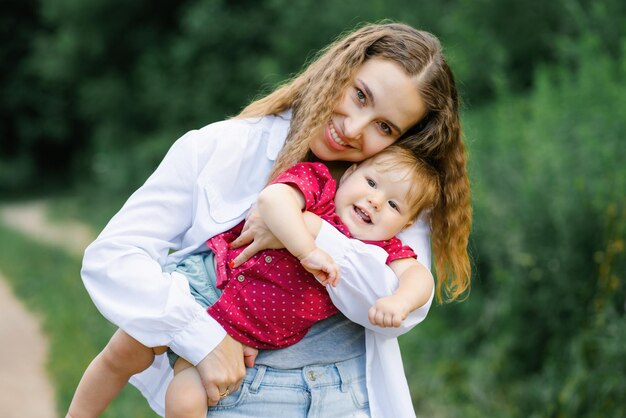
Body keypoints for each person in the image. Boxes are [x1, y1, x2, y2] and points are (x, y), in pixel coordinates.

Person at [68, 22, 472, 418]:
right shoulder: (223, 146)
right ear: (339, 69)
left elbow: (397, 311)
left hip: (349, 398)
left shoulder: (393, 195)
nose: (352, 129)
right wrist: (201, 337)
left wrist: (312, 232)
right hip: (238, 394)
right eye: (360, 95)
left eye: (384, 127)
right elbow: (113, 256)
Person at [68, 145, 440, 417]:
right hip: (206, 284)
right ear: (351, 171)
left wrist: (400, 301)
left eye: (394, 205)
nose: (376, 201)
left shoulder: (381, 249)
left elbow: (418, 277)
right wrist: (306, 248)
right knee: (123, 353)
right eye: (372, 182)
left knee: (185, 402)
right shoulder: (321, 188)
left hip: (241, 332)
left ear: (406, 225)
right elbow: (273, 200)